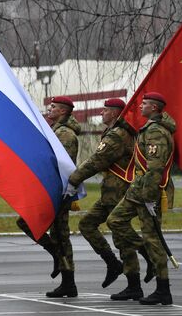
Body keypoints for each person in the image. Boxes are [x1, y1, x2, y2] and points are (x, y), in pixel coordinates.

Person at [107, 92, 176, 305]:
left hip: (148, 193)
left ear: (154, 108)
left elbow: (155, 167)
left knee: (153, 238)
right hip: (138, 190)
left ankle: (163, 290)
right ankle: (144, 250)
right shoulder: (148, 129)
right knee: (115, 221)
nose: (140, 106)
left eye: (144, 104)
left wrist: (148, 196)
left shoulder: (155, 131)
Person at [66, 98, 138, 290]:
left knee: (121, 236)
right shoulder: (113, 132)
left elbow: (97, 160)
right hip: (110, 192)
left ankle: (135, 280)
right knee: (87, 224)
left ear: (114, 113)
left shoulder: (118, 135)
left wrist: (74, 179)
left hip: (118, 191)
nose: (101, 113)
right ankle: (113, 264)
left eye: (105, 110)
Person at [16, 96, 81, 298]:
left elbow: (62, 164)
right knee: (45, 230)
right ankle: (58, 260)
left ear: (62, 111)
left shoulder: (66, 134)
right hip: (51, 189)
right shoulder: (55, 130)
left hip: (58, 191)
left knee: (61, 236)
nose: (49, 109)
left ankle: (68, 282)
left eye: (53, 107)